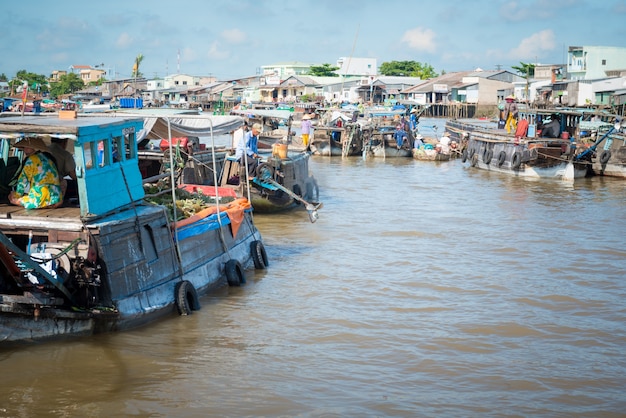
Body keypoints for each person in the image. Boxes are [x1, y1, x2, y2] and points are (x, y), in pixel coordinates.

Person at [9, 137, 62, 209]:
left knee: (12, 198)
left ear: (35, 148)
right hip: (57, 199)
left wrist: (16, 196)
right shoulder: (48, 158)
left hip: (40, 198)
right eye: (24, 147)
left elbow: (23, 181)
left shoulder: (31, 160)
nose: (25, 149)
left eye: (28, 147)